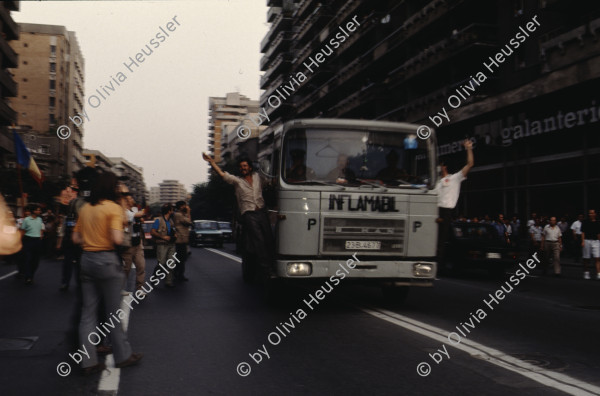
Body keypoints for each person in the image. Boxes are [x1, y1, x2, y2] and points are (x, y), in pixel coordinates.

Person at [72, 171, 142, 375]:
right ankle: (123, 356)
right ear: (112, 188)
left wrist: (90, 240)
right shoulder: (113, 208)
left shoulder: (85, 209)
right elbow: (118, 239)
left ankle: (88, 362)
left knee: (87, 314)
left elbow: (75, 239)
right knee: (113, 314)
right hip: (107, 261)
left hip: (86, 260)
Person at [203, 153, 275, 280]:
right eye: (241, 166)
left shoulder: (258, 177)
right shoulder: (237, 181)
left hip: (262, 212)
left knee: (268, 238)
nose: (243, 168)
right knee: (259, 240)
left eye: (245, 166)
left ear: (250, 167)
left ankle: (271, 265)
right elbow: (222, 174)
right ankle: (267, 270)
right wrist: (211, 162)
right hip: (248, 213)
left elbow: (271, 182)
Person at [435, 139, 474, 263]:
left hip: (445, 211)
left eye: (440, 165)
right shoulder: (435, 182)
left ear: (444, 166)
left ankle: (438, 261)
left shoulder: (454, 178)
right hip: (433, 210)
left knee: (441, 239)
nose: (438, 168)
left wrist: (468, 148)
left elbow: (470, 164)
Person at [120, 187, 147, 293]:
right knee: (126, 268)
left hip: (137, 242)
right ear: (126, 201)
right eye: (130, 199)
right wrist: (143, 212)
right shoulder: (125, 212)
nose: (133, 200)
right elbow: (139, 215)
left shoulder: (134, 210)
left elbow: (141, 219)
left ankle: (139, 288)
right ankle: (120, 288)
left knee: (141, 266)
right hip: (128, 243)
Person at [151, 203, 177, 288]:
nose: (173, 211)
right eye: (172, 210)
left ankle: (168, 282)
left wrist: (175, 235)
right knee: (161, 263)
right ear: (169, 211)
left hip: (171, 244)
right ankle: (154, 277)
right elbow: (153, 232)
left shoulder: (171, 221)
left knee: (171, 263)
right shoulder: (158, 220)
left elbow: (173, 230)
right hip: (162, 244)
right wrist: (163, 237)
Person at [20, 204, 44, 285]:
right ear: (33, 211)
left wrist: (40, 236)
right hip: (28, 240)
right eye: (37, 210)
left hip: (37, 241)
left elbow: (41, 229)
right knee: (28, 259)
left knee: (36, 260)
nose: (39, 211)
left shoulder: (40, 219)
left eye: (39, 210)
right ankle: (28, 277)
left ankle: (31, 275)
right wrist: (20, 241)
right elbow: (23, 231)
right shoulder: (26, 220)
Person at [173, 201, 192, 281]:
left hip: (183, 240)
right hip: (180, 240)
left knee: (181, 258)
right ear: (181, 207)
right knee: (181, 258)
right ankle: (178, 275)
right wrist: (188, 212)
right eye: (185, 206)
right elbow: (188, 222)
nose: (186, 207)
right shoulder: (178, 215)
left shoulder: (181, 215)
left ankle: (178, 274)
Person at [581, 209, 600, 280]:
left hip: (596, 241)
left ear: (595, 214)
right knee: (586, 258)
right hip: (587, 240)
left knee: (597, 257)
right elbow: (583, 232)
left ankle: (598, 273)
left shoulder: (598, 222)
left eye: (592, 213)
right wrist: (582, 241)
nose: (591, 214)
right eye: (590, 213)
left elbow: (598, 234)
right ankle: (586, 273)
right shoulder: (585, 222)